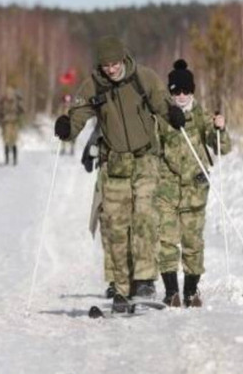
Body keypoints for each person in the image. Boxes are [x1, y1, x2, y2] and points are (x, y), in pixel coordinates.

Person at [54, 35, 184, 313]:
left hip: (145, 158)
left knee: (145, 216)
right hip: (114, 163)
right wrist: (67, 127)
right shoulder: (94, 85)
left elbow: (162, 101)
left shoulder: (143, 77)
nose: (111, 70)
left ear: (122, 59)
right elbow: (78, 113)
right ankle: (122, 291)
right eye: (105, 65)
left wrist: (172, 113)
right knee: (115, 227)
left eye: (114, 64)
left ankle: (145, 280)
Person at [156, 60, 231, 307]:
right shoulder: (162, 116)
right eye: (176, 91)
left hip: (195, 189)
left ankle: (190, 291)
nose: (181, 96)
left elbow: (223, 147)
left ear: (192, 91)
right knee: (166, 241)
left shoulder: (201, 114)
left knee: (193, 242)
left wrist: (220, 129)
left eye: (185, 91)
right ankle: (171, 293)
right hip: (167, 188)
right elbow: (152, 148)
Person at [82, 123, 118, 299]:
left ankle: (136, 279)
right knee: (108, 227)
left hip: (135, 172)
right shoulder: (105, 105)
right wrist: (89, 149)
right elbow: (99, 127)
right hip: (106, 173)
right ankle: (114, 281)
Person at [0, 87, 24, 165]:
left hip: (14, 124)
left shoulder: (17, 102)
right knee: (7, 142)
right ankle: (7, 160)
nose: (9, 96)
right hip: (6, 124)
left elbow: (21, 112)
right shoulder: (3, 102)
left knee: (13, 142)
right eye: (8, 94)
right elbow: (0, 112)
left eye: (11, 94)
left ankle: (14, 160)